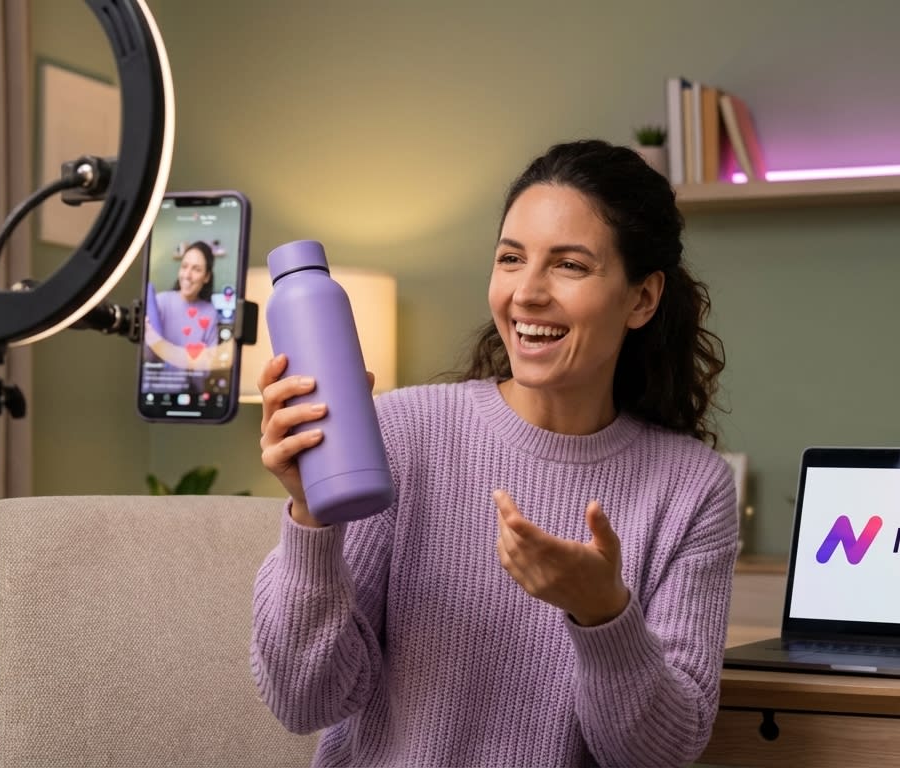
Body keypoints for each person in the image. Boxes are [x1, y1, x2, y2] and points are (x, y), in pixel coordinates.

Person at [250, 139, 737, 767]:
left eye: (569, 265)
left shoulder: (692, 488)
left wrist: (602, 614)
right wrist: (310, 519)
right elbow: (304, 702)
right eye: (511, 258)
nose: (526, 292)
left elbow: (658, 753)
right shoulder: (397, 434)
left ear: (642, 298)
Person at [142, 240, 225, 391]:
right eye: (184, 266)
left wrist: (167, 351)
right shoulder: (159, 303)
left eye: (196, 269)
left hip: (191, 397)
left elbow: (206, 369)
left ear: (206, 277)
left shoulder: (210, 313)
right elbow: (149, 359)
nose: (187, 275)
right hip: (155, 395)